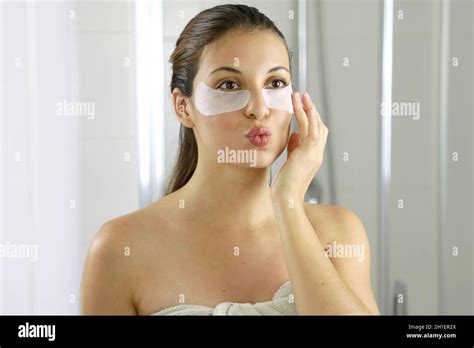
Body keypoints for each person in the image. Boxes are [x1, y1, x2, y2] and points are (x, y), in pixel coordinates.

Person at [81, 4, 380, 315]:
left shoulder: (338, 233)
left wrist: (287, 202)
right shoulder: (119, 249)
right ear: (184, 107)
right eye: (230, 85)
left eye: (275, 83)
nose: (259, 108)